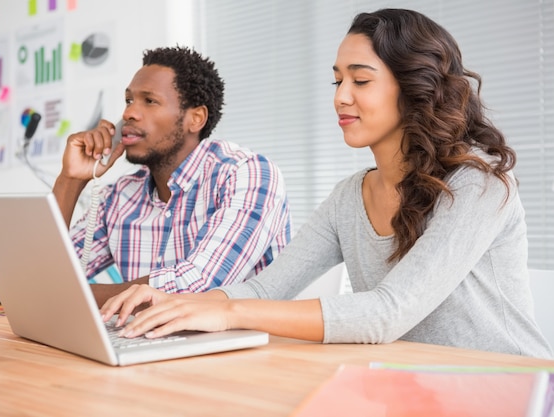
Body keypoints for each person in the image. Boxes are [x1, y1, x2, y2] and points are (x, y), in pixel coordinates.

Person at [99, 9, 553, 359]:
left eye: (360, 80)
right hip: (413, 384)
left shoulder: (479, 183)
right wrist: (178, 301)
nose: (340, 96)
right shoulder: (349, 198)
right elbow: (263, 289)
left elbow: (386, 313)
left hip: (508, 385)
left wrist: (227, 311)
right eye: (338, 80)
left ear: (416, 87)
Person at [53, 46, 292, 307]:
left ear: (196, 119)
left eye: (150, 101)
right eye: (129, 100)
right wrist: (72, 179)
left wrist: (68, 295)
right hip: (147, 341)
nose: (128, 113)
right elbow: (42, 275)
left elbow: (197, 287)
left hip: (245, 344)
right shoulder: (119, 195)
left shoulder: (246, 174)